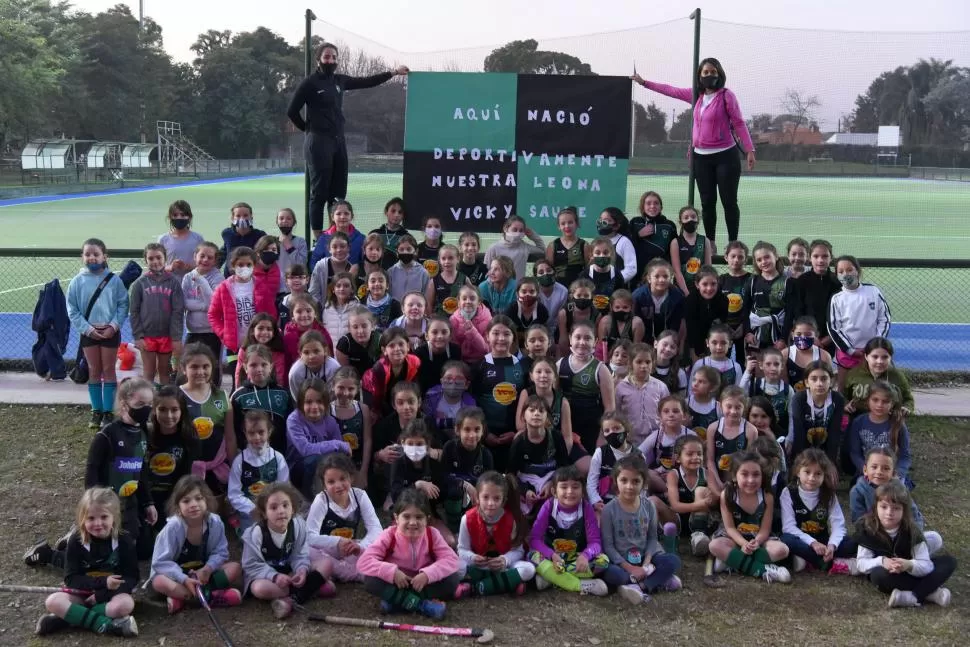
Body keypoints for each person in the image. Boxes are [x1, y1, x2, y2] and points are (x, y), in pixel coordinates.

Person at [288, 42, 408, 238]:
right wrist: (309, 130)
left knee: (338, 193)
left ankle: (335, 232)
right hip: (318, 142)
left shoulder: (339, 80)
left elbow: (367, 81)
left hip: (338, 141)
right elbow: (291, 111)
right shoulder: (310, 83)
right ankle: (319, 237)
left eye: (334, 57)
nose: (331, 60)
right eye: (327, 57)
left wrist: (393, 72)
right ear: (318, 59)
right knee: (319, 192)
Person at [632, 57, 755, 246]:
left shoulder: (726, 96)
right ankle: (711, 242)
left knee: (729, 201)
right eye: (705, 72)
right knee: (707, 202)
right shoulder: (696, 95)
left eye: (713, 72)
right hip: (701, 157)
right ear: (699, 76)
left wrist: (749, 150)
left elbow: (738, 122)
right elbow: (670, 90)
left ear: (719, 74)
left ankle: (733, 242)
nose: (709, 75)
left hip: (725, 156)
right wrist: (644, 83)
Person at [34, 489, 139, 637]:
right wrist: (102, 582)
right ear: (82, 519)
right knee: (53, 602)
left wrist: (102, 594)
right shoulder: (76, 541)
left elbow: (131, 577)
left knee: (126, 605)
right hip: (82, 593)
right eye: (91, 518)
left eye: (104, 517)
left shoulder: (124, 540)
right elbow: (71, 578)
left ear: (114, 517)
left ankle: (70, 618)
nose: (98, 523)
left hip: (110, 595)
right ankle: (106, 625)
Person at [357, 488, 462, 618]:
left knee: (452, 580)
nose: (412, 522)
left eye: (419, 517)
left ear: (427, 519)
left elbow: (452, 560)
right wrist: (392, 572)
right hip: (396, 583)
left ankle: (397, 602)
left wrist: (428, 574)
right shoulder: (389, 535)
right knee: (370, 580)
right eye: (406, 516)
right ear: (396, 518)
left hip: (423, 584)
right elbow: (364, 562)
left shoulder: (432, 534)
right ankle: (422, 605)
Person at [85, 377, 158, 559]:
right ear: (125, 404)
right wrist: (95, 506)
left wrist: (148, 503)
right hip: (106, 505)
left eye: (150, 404)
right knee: (104, 557)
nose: (146, 409)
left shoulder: (143, 433)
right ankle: (51, 553)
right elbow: (92, 471)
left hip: (129, 502)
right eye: (140, 403)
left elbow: (141, 473)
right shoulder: (107, 434)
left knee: (143, 551)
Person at [854, 481, 956, 608]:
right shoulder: (867, 528)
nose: (889, 512)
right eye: (884, 507)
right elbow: (861, 563)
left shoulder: (912, 531)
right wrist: (882, 561)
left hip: (910, 568)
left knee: (949, 562)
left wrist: (908, 565)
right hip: (889, 574)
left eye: (896, 508)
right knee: (877, 576)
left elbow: (926, 565)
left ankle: (913, 596)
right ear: (876, 507)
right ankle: (931, 593)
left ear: (904, 510)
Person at [149, 475, 242, 614]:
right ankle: (210, 597)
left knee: (235, 568)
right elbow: (160, 562)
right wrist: (184, 578)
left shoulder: (215, 523)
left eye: (198, 498)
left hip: (203, 574)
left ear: (206, 500)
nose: (193, 504)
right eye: (186, 501)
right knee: (158, 582)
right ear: (178, 507)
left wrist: (207, 569)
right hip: (178, 576)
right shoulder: (172, 527)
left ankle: (183, 599)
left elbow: (221, 552)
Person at [242, 483, 333, 618]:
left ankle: (289, 600)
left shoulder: (298, 525)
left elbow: (300, 554)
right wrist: (275, 576)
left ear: (293, 508)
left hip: (291, 572)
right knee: (258, 589)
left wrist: (301, 570)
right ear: (264, 513)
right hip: (267, 578)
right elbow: (250, 565)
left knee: (327, 564)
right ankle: (311, 588)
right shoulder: (256, 533)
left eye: (285, 505)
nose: (281, 511)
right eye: (273, 507)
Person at [601, 455, 683, 604]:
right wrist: (630, 568)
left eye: (635, 481)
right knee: (614, 574)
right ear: (616, 482)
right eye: (624, 480)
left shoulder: (649, 506)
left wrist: (646, 562)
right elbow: (608, 546)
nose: (629, 486)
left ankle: (642, 585)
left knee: (673, 561)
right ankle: (657, 580)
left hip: (645, 558)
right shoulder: (609, 510)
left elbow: (652, 538)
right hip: (621, 562)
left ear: (644, 483)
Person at [67, 238, 129, 429]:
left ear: (105, 256)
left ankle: (108, 412)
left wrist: (113, 326)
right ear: (82, 257)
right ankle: (96, 411)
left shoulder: (114, 280)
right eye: (87, 254)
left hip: (110, 332)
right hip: (89, 333)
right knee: (94, 370)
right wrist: (88, 329)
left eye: (96, 254)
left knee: (109, 370)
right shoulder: (77, 282)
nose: (92, 257)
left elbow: (122, 304)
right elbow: (72, 309)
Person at [708, 452, 791, 583]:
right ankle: (764, 570)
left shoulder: (767, 496)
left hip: (759, 538)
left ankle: (733, 561)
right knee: (714, 545)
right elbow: (729, 528)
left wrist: (756, 542)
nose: (751, 480)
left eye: (756, 474)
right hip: (734, 538)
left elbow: (765, 530)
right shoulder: (727, 495)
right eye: (744, 474)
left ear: (762, 476)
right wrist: (743, 543)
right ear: (735, 476)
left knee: (782, 550)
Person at [528, 466, 610, 596]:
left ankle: (550, 578)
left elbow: (595, 542)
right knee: (532, 556)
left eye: (575, 487)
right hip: (552, 558)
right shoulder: (548, 506)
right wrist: (551, 555)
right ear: (554, 491)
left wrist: (585, 556)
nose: (570, 491)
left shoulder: (586, 508)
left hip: (575, 559)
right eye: (564, 487)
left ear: (583, 490)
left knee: (603, 561)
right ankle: (582, 585)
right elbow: (534, 540)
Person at [849, 448, 943, 554]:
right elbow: (858, 522)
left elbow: (915, 516)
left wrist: (913, 538)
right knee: (853, 546)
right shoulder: (857, 491)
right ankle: (898, 559)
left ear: (893, 473)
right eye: (874, 467)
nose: (879, 472)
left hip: (902, 538)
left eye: (885, 468)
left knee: (935, 538)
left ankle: (905, 558)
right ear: (865, 470)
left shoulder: (900, 489)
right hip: (875, 539)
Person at [307, 453, 383, 583]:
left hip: (349, 548)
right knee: (308, 551)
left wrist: (361, 547)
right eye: (331, 482)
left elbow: (376, 529)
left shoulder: (360, 496)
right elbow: (309, 536)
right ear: (324, 484)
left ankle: (331, 574)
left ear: (351, 478)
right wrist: (337, 541)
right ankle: (357, 573)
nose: (338, 485)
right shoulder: (321, 500)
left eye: (343, 479)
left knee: (376, 546)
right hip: (324, 550)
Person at [778, 449, 856, 575]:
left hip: (823, 542)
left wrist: (832, 545)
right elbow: (788, 527)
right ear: (798, 471)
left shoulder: (828, 494)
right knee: (786, 539)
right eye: (807, 472)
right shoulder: (788, 492)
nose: (812, 478)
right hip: (802, 541)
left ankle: (808, 560)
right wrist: (812, 543)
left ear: (824, 475)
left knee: (853, 543)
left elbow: (839, 525)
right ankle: (831, 563)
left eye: (818, 474)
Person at [457, 471, 534, 596]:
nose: (491, 503)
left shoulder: (511, 520)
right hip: (479, 565)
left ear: (503, 500)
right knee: (455, 567)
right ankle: (506, 583)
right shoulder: (467, 519)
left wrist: (505, 559)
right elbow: (461, 550)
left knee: (529, 569)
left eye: (496, 498)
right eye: (485, 497)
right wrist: (473, 557)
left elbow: (518, 551)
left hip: (503, 566)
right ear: (477, 497)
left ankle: (475, 587)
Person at [209, 246, 276, 387]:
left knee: (261, 379)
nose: (244, 268)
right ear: (233, 266)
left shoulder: (261, 286)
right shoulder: (224, 288)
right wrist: (223, 333)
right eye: (240, 264)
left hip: (259, 343)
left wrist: (267, 333)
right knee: (238, 381)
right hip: (235, 345)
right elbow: (213, 315)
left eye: (248, 264)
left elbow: (271, 314)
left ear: (254, 265)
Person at [178, 344, 236, 495]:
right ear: (184, 368)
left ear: (212, 367)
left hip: (216, 470)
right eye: (194, 367)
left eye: (205, 366)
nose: (201, 372)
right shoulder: (176, 396)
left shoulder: (222, 396)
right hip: (185, 470)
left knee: (217, 511)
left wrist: (235, 467)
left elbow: (230, 437)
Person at [471, 316, 525, 471]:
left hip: (513, 435)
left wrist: (516, 432)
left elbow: (526, 403)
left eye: (506, 334)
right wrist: (484, 433)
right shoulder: (479, 366)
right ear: (487, 336)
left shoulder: (523, 366)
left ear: (513, 337)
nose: (501, 338)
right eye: (496, 333)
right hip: (485, 435)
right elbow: (472, 402)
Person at [829, 255, 891, 389]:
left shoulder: (873, 291)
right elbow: (834, 328)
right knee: (843, 390)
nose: (846, 274)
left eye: (849, 270)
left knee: (875, 389)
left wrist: (876, 344)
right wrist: (850, 350)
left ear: (858, 271)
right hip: (847, 354)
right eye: (841, 271)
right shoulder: (837, 299)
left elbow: (884, 318)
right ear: (837, 275)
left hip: (872, 353)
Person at [145, 387, 202, 529]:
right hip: (146, 497)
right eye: (162, 409)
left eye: (174, 410)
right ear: (154, 410)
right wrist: (147, 502)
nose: (169, 415)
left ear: (182, 410)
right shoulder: (146, 434)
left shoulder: (189, 437)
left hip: (174, 496)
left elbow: (186, 475)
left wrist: (176, 503)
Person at [508, 395, 571, 515]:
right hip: (526, 481)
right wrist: (524, 491)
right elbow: (511, 474)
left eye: (541, 411)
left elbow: (564, 466)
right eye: (532, 410)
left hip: (551, 478)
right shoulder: (519, 442)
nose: (536, 413)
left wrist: (552, 483)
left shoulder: (556, 437)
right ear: (523, 416)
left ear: (547, 417)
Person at [229, 410, 290, 532]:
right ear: (245, 433)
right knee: (253, 537)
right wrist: (252, 509)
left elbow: (284, 488)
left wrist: (271, 507)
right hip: (250, 512)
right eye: (251, 433)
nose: (257, 437)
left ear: (269, 432)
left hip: (273, 508)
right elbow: (234, 494)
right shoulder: (239, 461)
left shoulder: (278, 458)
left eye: (261, 432)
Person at [286, 378, 348, 497]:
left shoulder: (330, 421)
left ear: (326, 403)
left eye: (319, 402)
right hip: (298, 469)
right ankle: (309, 499)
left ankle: (334, 495)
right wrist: (336, 444)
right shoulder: (294, 420)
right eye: (308, 402)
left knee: (339, 460)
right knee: (314, 459)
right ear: (300, 403)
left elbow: (341, 454)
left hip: (324, 468)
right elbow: (305, 450)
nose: (314, 407)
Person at [847, 381, 911, 484]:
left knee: (895, 496)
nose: (879, 405)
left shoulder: (898, 424)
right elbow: (855, 453)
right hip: (867, 472)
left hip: (891, 473)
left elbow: (905, 455)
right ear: (868, 400)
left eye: (885, 401)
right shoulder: (858, 422)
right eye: (875, 400)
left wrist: (898, 474)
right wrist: (866, 470)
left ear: (892, 403)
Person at [665, 435, 719, 558]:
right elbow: (675, 506)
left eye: (699, 454)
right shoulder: (673, 475)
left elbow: (716, 496)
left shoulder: (705, 473)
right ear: (678, 458)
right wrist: (702, 504)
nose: (696, 457)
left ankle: (698, 537)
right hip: (679, 520)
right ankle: (664, 537)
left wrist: (713, 497)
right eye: (689, 454)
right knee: (654, 501)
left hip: (701, 520)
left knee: (701, 490)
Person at [182, 242, 225, 386]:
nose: (205, 260)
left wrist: (201, 280)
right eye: (202, 256)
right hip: (193, 331)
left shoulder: (218, 278)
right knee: (188, 363)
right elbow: (184, 302)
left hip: (212, 332)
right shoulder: (188, 277)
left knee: (212, 366)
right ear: (195, 256)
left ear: (215, 260)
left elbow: (215, 302)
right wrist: (203, 305)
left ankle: (213, 393)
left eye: (210, 257)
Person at [842, 337, 914, 418]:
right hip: (859, 420)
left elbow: (908, 399)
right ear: (866, 356)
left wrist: (907, 408)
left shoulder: (897, 376)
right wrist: (845, 405)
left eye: (885, 357)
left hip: (889, 421)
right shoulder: (854, 374)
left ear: (890, 358)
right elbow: (843, 396)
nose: (879, 361)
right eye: (875, 357)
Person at [788, 361, 844, 464]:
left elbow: (834, 434)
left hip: (825, 450)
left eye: (824, 379)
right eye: (814, 379)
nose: (819, 383)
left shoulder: (837, 399)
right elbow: (799, 435)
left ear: (831, 381)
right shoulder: (799, 398)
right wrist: (802, 463)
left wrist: (830, 464)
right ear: (806, 382)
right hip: (803, 448)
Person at [745, 241, 797, 352]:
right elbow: (745, 309)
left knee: (777, 366)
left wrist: (783, 339)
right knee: (756, 366)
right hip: (756, 335)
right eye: (759, 260)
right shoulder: (752, 281)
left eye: (767, 257)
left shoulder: (787, 282)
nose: (763, 262)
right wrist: (748, 332)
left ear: (776, 256)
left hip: (779, 335)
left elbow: (789, 313)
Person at [362, 327, 422, 420]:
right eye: (392, 346)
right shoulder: (380, 369)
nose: (397, 349)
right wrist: (376, 411)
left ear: (408, 346)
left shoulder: (414, 362)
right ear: (384, 350)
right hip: (372, 391)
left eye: (401, 344)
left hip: (396, 391)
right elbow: (378, 395)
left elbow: (413, 387)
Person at [587, 412, 642, 512]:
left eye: (616, 428)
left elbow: (644, 485)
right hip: (605, 502)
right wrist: (596, 501)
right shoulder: (600, 453)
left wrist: (637, 503)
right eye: (607, 431)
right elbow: (591, 482)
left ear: (626, 430)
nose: (611, 433)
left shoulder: (639, 456)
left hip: (631, 503)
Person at [615, 344, 669, 445]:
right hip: (629, 439)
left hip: (655, 438)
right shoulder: (621, 387)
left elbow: (666, 413)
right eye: (639, 362)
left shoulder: (661, 387)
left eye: (648, 362)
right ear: (631, 363)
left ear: (653, 363)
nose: (644, 366)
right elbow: (617, 413)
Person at [706, 386, 758, 491]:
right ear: (720, 405)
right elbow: (710, 460)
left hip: (740, 482)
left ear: (745, 407)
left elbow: (750, 461)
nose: (733, 411)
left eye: (738, 407)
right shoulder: (713, 428)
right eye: (728, 406)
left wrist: (737, 482)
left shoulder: (751, 431)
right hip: (716, 479)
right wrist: (718, 483)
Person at [796, 239, 840, 354]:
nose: (820, 260)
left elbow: (842, 315)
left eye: (825, 256)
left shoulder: (837, 283)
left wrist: (830, 338)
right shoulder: (802, 281)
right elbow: (798, 311)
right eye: (816, 256)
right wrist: (810, 336)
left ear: (831, 258)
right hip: (807, 338)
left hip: (832, 339)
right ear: (810, 258)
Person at [329, 367, 373, 480]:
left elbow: (367, 441)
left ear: (357, 389)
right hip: (334, 466)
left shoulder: (363, 409)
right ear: (333, 386)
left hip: (357, 466)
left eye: (351, 389)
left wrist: (363, 472)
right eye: (341, 388)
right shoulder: (327, 410)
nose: (345, 393)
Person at [633, 259, 686, 346]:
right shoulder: (638, 296)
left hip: (669, 341)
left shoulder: (678, 297)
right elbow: (635, 324)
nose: (661, 280)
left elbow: (677, 324)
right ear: (649, 278)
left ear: (671, 278)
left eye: (665, 276)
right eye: (657, 276)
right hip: (644, 340)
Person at [718, 240, 751, 362]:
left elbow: (752, 306)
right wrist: (725, 326)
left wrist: (744, 327)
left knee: (744, 361)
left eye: (740, 257)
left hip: (745, 328)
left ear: (746, 259)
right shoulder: (721, 280)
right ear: (726, 257)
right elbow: (718, 307)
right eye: (733, 256)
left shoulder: (751, 279)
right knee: (724, 360)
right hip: (726, 329)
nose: (736, 260)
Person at [630, 191, 677, 273]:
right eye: (648, 203)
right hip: (638, 272)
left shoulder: (669, 225)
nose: (652, 206)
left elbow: (674, 248)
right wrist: (638, 235)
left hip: (661, 272)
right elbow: (626, 244)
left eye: (656, 203)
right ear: (643, 207)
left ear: (661, 207)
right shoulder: (635, 222)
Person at [235, 314, 287, 388]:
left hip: (271, 389)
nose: (264, 332)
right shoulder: (244, 350)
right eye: (260, 328)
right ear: (253, 331)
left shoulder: (278, 352)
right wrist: (239, 391)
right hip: (249, 389)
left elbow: (279, 377)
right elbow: (239, 374)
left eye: (269, 329)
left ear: (274, 333)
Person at [670, 206, 713, 295]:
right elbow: (677, 271)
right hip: (681, 288)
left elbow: (708, 268)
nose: (690, 220)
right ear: (681, 222)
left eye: (693, 217)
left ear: (698, 220)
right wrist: (685, 292)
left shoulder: (705, 241)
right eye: (686, 218)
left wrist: (703, 287)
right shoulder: (675, 242)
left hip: (700, 287)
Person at [282, 295, 333, 368]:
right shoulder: (288, 337)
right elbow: (287, 363)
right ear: (292, 315)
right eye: (299, 311)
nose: (304, 315)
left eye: (308, 311)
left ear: (315, 313)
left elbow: (330, 360)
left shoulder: (323, 333)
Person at [159, 200, 204, 278]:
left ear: (190, 217)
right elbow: (157, 266)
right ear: (170, 217)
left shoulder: (198, 239)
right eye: (175, 215)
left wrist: (189, 267)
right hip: (169, 285)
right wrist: (171, 267)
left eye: (183, 215)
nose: (179, 218)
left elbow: (204, 265)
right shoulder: (163, 239)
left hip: (192, 284)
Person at [546, 207, 589, 288]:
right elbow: (548, 269)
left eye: (570, 222)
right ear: (558, 226)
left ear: (576, 224)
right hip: (558, 287)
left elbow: (588, 269)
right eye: (563, 223)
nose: (567, 226)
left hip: (578, 288)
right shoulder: (553, 245)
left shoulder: (584, 245)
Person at [786, 316, 833, 392]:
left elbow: (828, 385)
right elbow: (784, 387)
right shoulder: (785, 355)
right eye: (798, 334)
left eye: (808, 334)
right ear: (792, 335)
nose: (803, 337)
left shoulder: (824, 356)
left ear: (816, 335)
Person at [220, 203, 267, 276]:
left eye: (245, 215)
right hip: (230, 277)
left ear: (251, 217)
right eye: (238, 216)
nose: (242, 218)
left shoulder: (260, 235)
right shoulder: (227, 233)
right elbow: (225, 251)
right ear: (232, 218)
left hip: (252, 277)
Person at [309, 231, 356, 303]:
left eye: (342, 246)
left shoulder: (352, 269)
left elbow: (353, 295)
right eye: (334, 247)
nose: (339, 250)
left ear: (348, 248)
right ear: (329, 249)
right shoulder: (321, 266)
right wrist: (320, 311)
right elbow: (313, 293)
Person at [425, 243, 468, 316]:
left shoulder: (464, 279)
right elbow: (429, 304)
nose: (447, 261)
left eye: (450, 258)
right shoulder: (434, 281)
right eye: (443, 258)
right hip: (440, 321)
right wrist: (431, 319)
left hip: (459, 320)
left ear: (458, 259)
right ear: (439, 260)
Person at [275, 208, 309, 293]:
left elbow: (301, 264)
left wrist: (289, 246)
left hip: (296, 288)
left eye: (288, 218)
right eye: (281, 218)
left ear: (294, 222)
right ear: (277, 222)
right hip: (277, 288)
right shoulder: (273, 242)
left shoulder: (300, 241)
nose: (285, 221)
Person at [321, 272, 358, 341]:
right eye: (338, 286)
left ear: (352, 289)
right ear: (333, 289)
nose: (342, 289)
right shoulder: (327, 310)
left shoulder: (358, 309)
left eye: (346, 286)